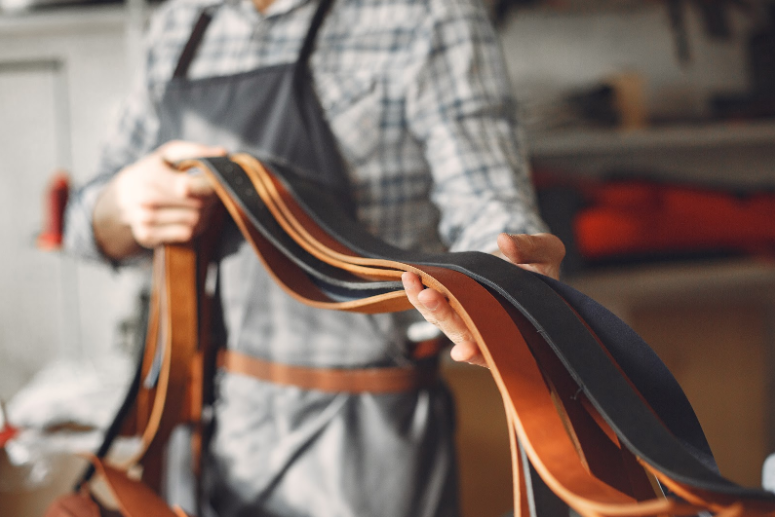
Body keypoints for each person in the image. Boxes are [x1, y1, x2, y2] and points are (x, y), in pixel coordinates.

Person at [63, 0, 564, 515]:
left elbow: (486, 199)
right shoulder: (182, 20)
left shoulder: (430, 15)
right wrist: (121, 204)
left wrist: (508, 286)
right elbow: (81, 226)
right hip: (200, 426)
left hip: (363, 434)